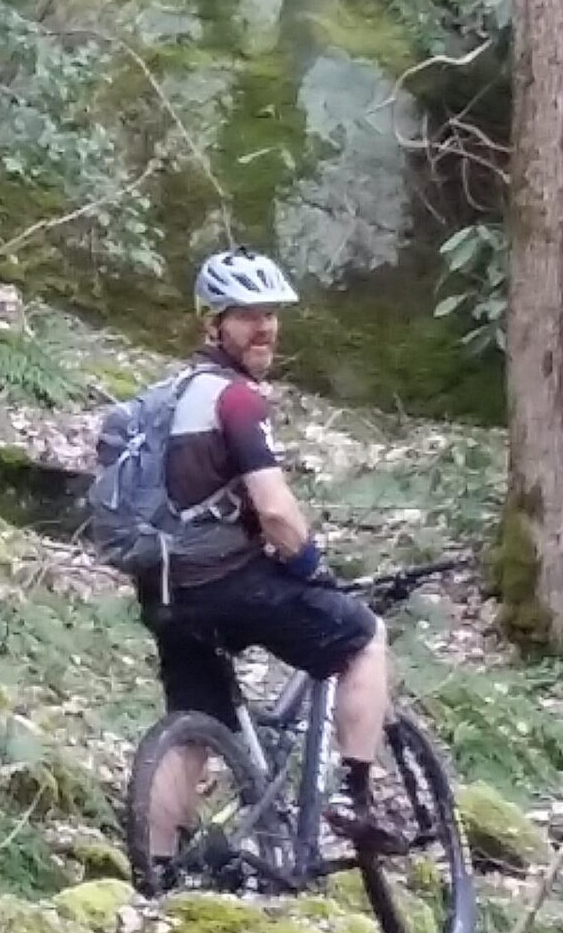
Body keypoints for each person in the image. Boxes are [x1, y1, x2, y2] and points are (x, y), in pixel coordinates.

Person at [137, 246, 399, 881]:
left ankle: (154, 877)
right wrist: (311, 566)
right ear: (212, 324)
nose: (265, 327)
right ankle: (353, 796)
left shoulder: (160, 400)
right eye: (247, 315)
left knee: (194, 728)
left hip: (164, 590)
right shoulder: (235, 401)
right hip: (230, 582)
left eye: (272, 314)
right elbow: (276, 513)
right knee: (363, 639)